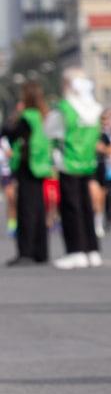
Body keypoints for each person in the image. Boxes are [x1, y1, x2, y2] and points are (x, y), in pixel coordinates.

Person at [46, 69, 104, 269]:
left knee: (71, 208)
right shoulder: (94, 108)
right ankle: (92, 250)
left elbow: (50, 131)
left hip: (68, 162)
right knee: (87, 207)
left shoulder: (64, 108)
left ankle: (76, 251)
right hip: (87, 162)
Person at [3, 82, 53, 266]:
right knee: (39, 209)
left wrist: (13, 119)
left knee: (26, 210)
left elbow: (10, 133)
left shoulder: (26, 117)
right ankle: (41, 251)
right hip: (41, 165)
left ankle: (26, 252)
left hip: (27, 165)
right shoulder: (43, 115)